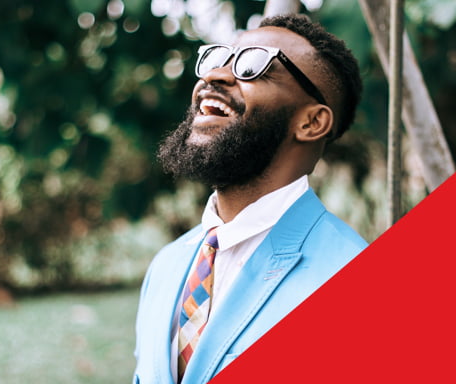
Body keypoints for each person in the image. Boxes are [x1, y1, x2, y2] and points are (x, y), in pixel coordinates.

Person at [132, 14, 366, 384]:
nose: (215, 76)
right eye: (218, 58)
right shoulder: (166, 265)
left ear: (311, 123)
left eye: (254, 65)